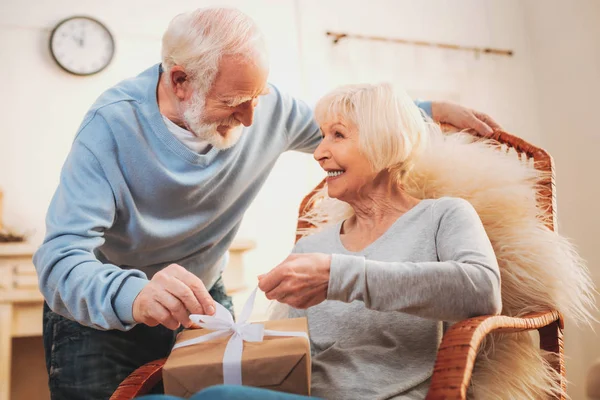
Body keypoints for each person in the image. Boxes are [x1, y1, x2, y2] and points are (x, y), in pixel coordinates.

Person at [33, 7, 501, 400]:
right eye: (235, 102)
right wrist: (133, 294)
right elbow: (59, 259)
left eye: (258, 98)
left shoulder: (442, 214)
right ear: (180, 82)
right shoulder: (110, 127)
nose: (255, 118)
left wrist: (426, 110)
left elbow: (363, 131)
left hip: (200, 301)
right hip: (100, 308)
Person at [256, 83, 502, 399]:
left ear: (383, 141)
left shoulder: (443, 216)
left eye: (338, 135)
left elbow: (482, 291)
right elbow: (290, 361)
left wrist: (339, 277)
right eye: (321, 136)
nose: (318, 153)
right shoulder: (310, 249)